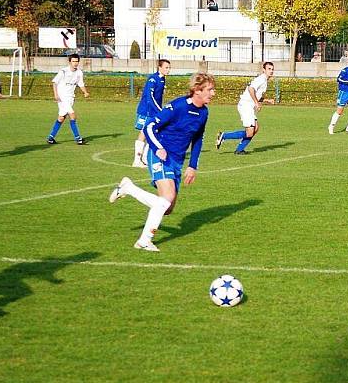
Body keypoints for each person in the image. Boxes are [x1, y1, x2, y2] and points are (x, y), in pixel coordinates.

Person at [109, 73, 215, 252]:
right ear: (197, 90)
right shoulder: (178, 106)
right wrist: (157, 147)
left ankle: (128, 188)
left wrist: (192, 166)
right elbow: (149, 125)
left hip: (177, 160)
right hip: (160, 155)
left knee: (167, 208)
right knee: (166, 198)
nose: (213, 93)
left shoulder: (203, 112)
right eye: (210, 89)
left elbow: (198, 139)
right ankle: (144, 241)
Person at [215, 62, 275, 155]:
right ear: (264, 70)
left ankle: (239, 150)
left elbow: (256, 94)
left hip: (249, 106)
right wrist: (256, 103)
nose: (271, 71)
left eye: (272, 69)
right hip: (245, 105)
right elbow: (251, 89)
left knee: (255, 129)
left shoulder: (264, 80)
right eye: (269, 69)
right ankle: (224, 136)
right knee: (250, 132)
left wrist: (267, 100)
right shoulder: (261, 79)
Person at [133, 59, 171, 167]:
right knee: (144, 133)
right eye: (166, 68)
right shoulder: (152, 79)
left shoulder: (163, 79)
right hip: (147, 110)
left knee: (153, 132)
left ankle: (145, 158)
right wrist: (160, 110)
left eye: (169, 68)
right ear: (160, 67)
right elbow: (150, 98)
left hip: (154, 111)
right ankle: (136, 160)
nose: (168, 70)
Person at [47, 53, 89, 145]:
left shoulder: (79, 73)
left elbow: (81, 84)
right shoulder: (63, 71)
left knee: (61, 118)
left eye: (77, 61)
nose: (75, 63)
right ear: (69, 62)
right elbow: (54, 82)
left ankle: (50, 137)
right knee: (72, 115)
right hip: (62, 97)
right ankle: (78, 138)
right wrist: (56, 95)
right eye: (73, 61)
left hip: (70, 97)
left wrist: (85, 92)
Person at [328, 55, 348, 135]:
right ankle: (331, 126)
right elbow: (338, 79)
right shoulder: (345, 70)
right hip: (343, 93)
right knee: (339, 111)